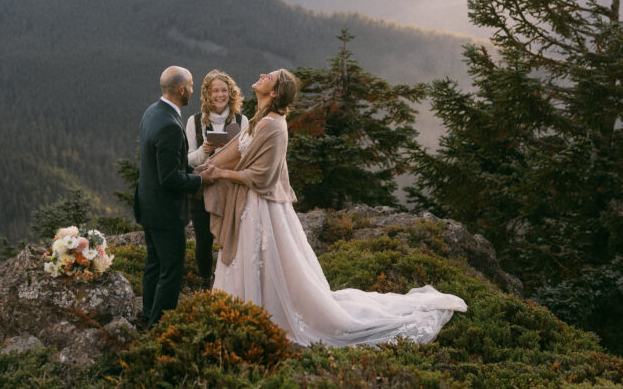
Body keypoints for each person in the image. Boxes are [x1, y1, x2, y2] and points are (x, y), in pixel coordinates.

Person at [199, 69, 466, 347]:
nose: (263, 74)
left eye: (270, 77)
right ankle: (241, 313)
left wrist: (219, 174)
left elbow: (260, 177)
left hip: (262, 208)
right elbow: (237, 150)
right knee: (255, 263)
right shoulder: (260, 119)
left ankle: (257, 315)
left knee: (266, 264)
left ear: (275, 92)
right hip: (252, 207)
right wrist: (209, 165)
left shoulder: (274, 125)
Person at [134, 65, 213, 329]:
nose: (193, 90)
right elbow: (169, 178)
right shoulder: (169, 124)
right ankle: (158, 328)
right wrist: (201, 180)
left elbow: (168, 162)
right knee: (171, 272)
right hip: (166, 212)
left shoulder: (153, 111)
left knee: (154, 265)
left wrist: (193, 168)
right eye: (191, 86)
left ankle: (147, 315)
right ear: (181, 90)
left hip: (148, 205)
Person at [184, 70, 248, 289]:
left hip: (230, 186)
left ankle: (230, 280)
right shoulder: (194, 122)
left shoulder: (242, 120)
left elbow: (248, 154)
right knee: (203, 239)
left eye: (224, 91)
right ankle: (205, 280)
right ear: (207, 95)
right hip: (202, 188)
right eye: (215, 91)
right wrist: (205, 151)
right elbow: (186, 158)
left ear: (231, 93)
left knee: (230, 236)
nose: (220, 95)